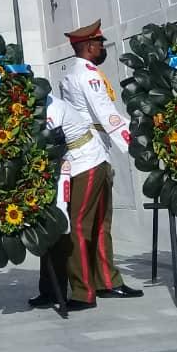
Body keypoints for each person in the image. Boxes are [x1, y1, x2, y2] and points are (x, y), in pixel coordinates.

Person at [59, 20, 143, 299]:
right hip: (90, 156)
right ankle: (84, 290)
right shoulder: (89, 76)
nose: (102, 48)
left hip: (94, 152)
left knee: (99, 222)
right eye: (99, 45)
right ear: (87, 47)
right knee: (84, 223)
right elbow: (106, 113)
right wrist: (135, 142)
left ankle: (106, 281)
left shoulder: (72, 74)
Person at [30, 94, 113, 311]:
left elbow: (52, 142)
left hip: (86, 163)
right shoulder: (22, 106)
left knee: (76, 226)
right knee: (53, 226)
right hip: (62, 167)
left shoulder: (50, 107)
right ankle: (50, 289)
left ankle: (84, 294)